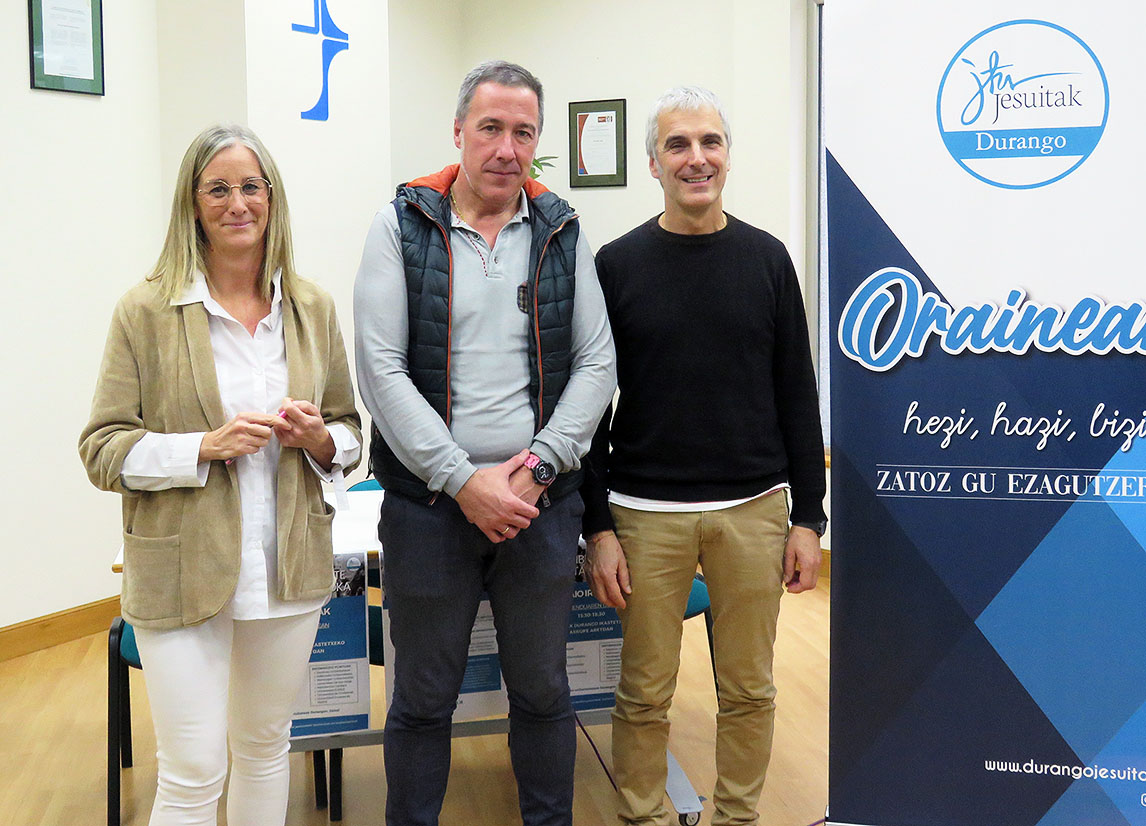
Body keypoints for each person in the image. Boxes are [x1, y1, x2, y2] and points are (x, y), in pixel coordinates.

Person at [354, 60, 616, 826]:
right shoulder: (401, 227)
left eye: (523, 133)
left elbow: (598, 363)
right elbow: (380, 369)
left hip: (541, 507)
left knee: (542, 691)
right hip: (428, 510)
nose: (507, 148)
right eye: (491, 128)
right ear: (459, 131)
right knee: (422, 699)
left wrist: (536, 469)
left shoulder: (562, 230)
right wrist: (462, 481)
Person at [79, 124, 362, 826]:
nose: (238, 203)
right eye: (218, 189)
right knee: (193, 770)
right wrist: (202, 448)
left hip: (288, 567)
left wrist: (319, 439)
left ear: (272, 198)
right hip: (181, 570)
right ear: (193, 203)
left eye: (250, 187)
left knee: (265, 749)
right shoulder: (145, 311)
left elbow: (350, 434)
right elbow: (103, 449)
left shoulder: (312, 307)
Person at [581, 87, 827, 826]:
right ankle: (643, 817)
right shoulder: (616, 266)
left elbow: (797, 395)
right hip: (643, 516)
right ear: (653, 164)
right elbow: (589, 410)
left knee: (749, 690)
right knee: (643, 693)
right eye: (678, 145)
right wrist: (598, 527)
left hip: (753, 512)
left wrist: (808, 519)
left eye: (710, 142)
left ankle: (736, 818)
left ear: (727, 155)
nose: (697, 158)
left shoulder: (768, 260)